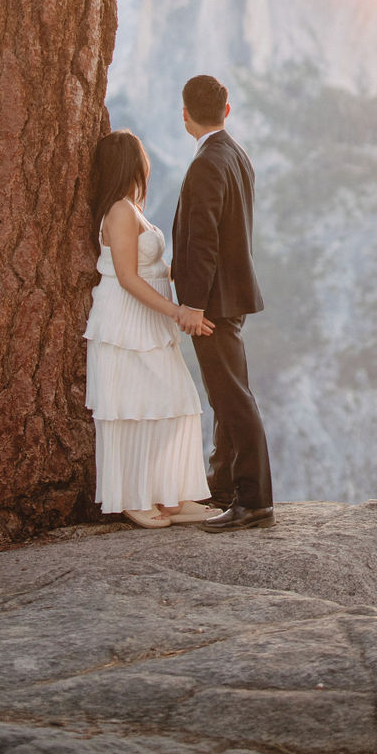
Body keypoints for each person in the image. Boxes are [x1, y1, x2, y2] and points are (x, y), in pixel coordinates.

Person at [85, 129, 220, 529]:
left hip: (148, 321)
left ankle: (174, 494)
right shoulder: (120, 211)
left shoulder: (131, 206)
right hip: (126, 321)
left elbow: (152, 268)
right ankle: (133, 497)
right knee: (133, 406)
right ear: (133, 163)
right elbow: (126, 276)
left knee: (175, 400)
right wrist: (177, 311)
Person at [172, 74, 274, 531]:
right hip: (231, 296)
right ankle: (225, 487)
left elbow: (204, 239)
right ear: (226, 110)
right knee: (226, 394)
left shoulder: (207, 163)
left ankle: (254, 500)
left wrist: (193, 303)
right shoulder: (236, 154)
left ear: (185, 113)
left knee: (233, 399)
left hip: (212, 302)